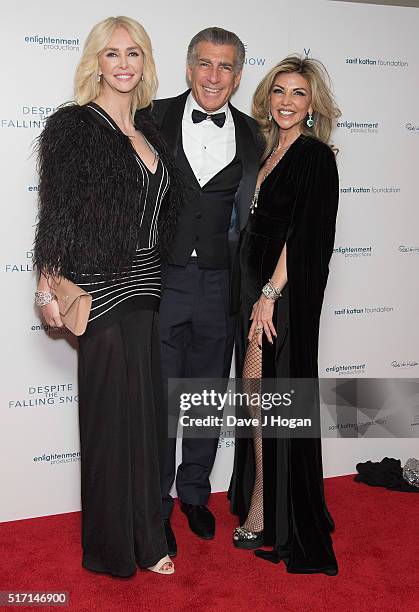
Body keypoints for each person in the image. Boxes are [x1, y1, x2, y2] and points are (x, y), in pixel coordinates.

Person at [33, 16, 183, 578]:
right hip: (99, 290)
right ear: (96, 61)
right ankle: (111, 548)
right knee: (108, 427)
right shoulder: (74, 126)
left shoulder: (150, 132)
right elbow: (58, 210)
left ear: (145, 63)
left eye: (134, 54)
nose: (124, 64)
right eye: (113, 53)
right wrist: (48, 284)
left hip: (147, 291)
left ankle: (149, 537)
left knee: (146, 426)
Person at [149, 27, 262, 556]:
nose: (213, 76)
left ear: (238, 76)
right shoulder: (152, 117)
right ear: (188, 67)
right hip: (162, 281)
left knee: (203, 398)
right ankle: (156, 502)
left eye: (225, 67)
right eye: (204, 64)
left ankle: (195, 492)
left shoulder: (255, 133)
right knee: (160, 399)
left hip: (222, 285)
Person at [229, 55, 341, 575]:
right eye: (279, 91)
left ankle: (266, 507)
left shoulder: (315, 157)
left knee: (266, 395)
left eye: (298, 93)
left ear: (312, 103)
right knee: (257, 397)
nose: (287, 102)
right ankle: (265, 494)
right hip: (254, 289)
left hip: (282, 299)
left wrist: (270, 293)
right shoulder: (269, 148)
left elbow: (304, 236)